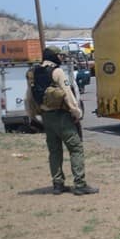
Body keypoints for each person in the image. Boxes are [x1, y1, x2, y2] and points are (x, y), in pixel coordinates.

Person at [25, 46, 98, 195]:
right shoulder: (57, 72)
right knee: (76, 148)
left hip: (46, 117)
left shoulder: (33, 73)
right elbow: (67, 94)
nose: (61, 58)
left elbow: (29, 97)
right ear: (53, 56)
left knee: (54, 151)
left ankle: (58, 184)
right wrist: (76, 112)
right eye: (59, 55)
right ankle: (80, 184)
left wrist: (34, 115)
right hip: (62, 116)